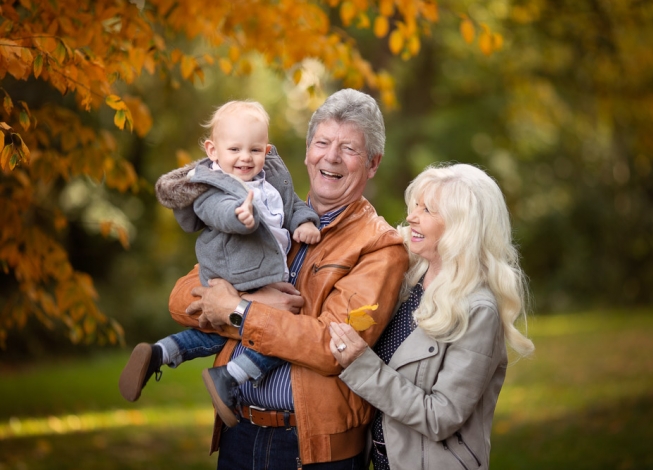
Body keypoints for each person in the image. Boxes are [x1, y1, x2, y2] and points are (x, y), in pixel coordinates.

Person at [168, 89, 409, 469]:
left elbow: (333, 347)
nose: (331, 157)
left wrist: (238, 311)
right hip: (239, 431)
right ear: (306, 152)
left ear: (373, 163)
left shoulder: (380, 247)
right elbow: (183, 298)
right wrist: (251, 306)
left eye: (348, 149)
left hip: (312, 448)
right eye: (323, 143)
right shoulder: (270, 218)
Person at [119, 101, 321, 420]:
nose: (245, 157)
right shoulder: (213, 184)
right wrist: (240, 216)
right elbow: (213, 212)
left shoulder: (270, 180)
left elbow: (291, 205)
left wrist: (305, 221)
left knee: (217, 331)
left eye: (255, 149)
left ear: (266, 149)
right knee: (282, 329)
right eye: (235, 149)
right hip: (238, 272)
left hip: (257, 273)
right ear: (213, 150)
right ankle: (230, 376)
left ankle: (161, 352)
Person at [328, 163, 535, 470]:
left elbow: (441, 416)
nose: (412, 216)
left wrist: (362, 366)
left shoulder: (478, 310)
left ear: (461, 226)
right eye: (415, 206)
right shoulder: (407, 279)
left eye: (427, 209)